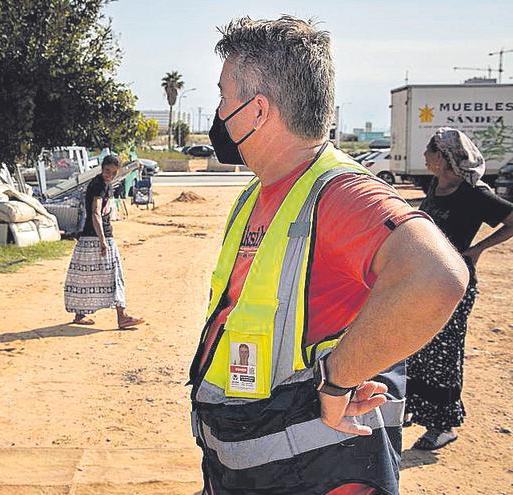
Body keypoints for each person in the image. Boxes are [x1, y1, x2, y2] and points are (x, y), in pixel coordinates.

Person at [189, 16, 469, 495]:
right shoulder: (263, 192)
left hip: (312, 471)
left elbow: (437, 278)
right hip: (254, 458)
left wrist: (338, 382)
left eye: (222, 96)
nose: (218, 112)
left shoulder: (340, 194)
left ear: (257, 111)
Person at [406, 128, 513, 450]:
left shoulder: (474, 194)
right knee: (418, 347)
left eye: (429, 150)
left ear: (443, 157)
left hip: (453, 283)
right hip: (424, 279)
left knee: (444, 354)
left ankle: (444, 425)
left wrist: (478, 249)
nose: (424, 155)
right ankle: (417, 408)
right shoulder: (436, 187)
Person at [64, 155, 145, 329]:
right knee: (114, 275)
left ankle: (80, 314)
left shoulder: (102, 184)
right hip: (98, 237)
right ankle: (122, 316)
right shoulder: (99, 186)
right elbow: (95, 213)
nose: (110, 175)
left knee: (85, 277)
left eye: (113, 172)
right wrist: (102, 240)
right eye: (107, 171)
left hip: (88, 238)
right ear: (102, 168)